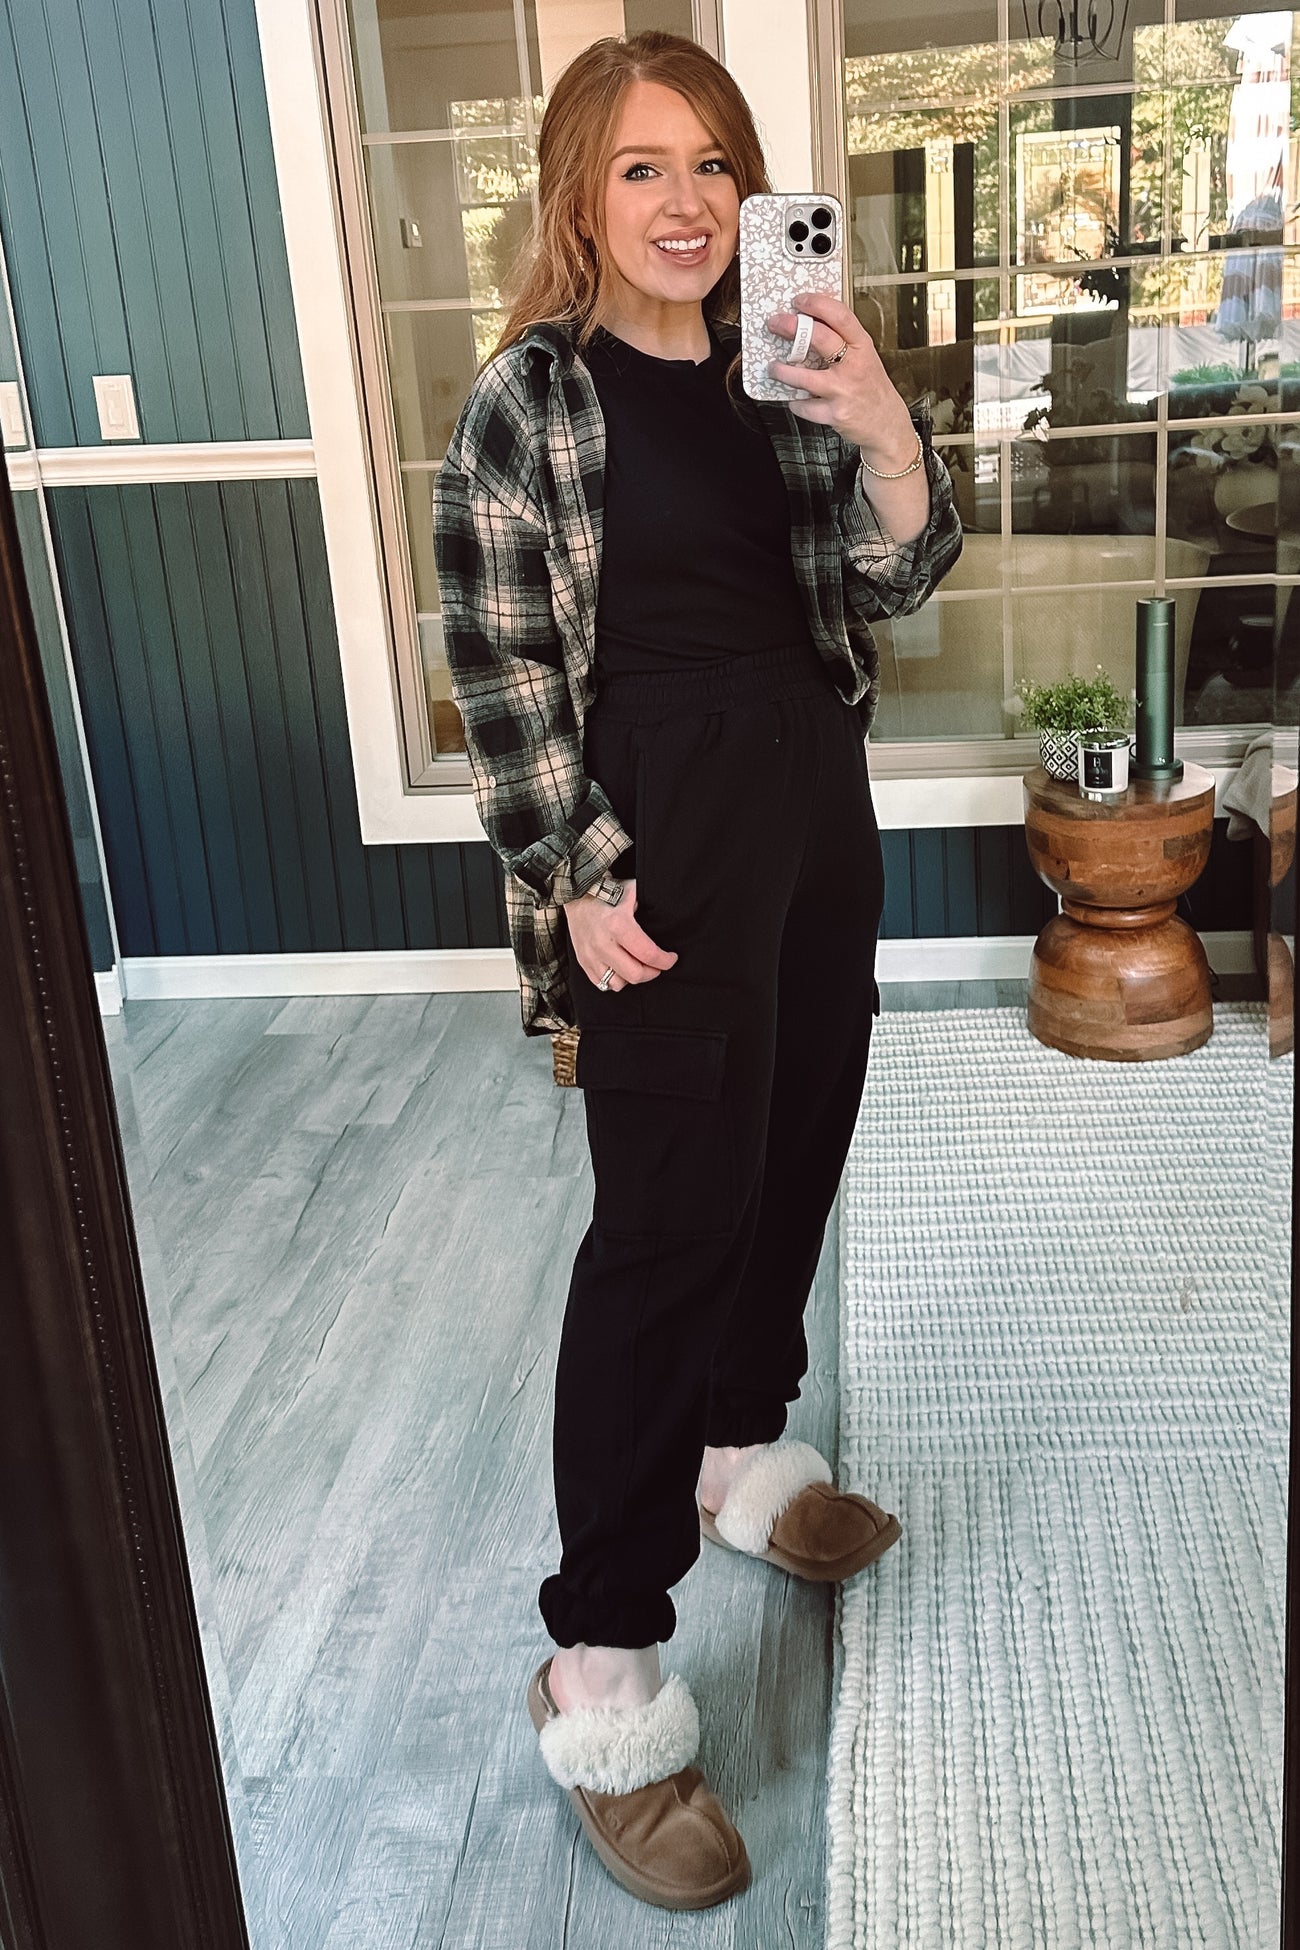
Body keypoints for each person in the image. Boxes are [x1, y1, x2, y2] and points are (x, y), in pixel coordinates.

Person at [432, 29, 962, 1911]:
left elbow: (897, 580)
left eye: (715, 165)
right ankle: (600, 1661)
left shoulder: (782, 365)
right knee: (664, 1229)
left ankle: (741, 1453)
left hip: (812, 808)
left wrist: (882, 427)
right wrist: (576, 874)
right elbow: (496, 664)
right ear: (581, 197)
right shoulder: (529, 402)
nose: (686, 203)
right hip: (651, 846)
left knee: (793, 1155)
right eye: (643, 168)